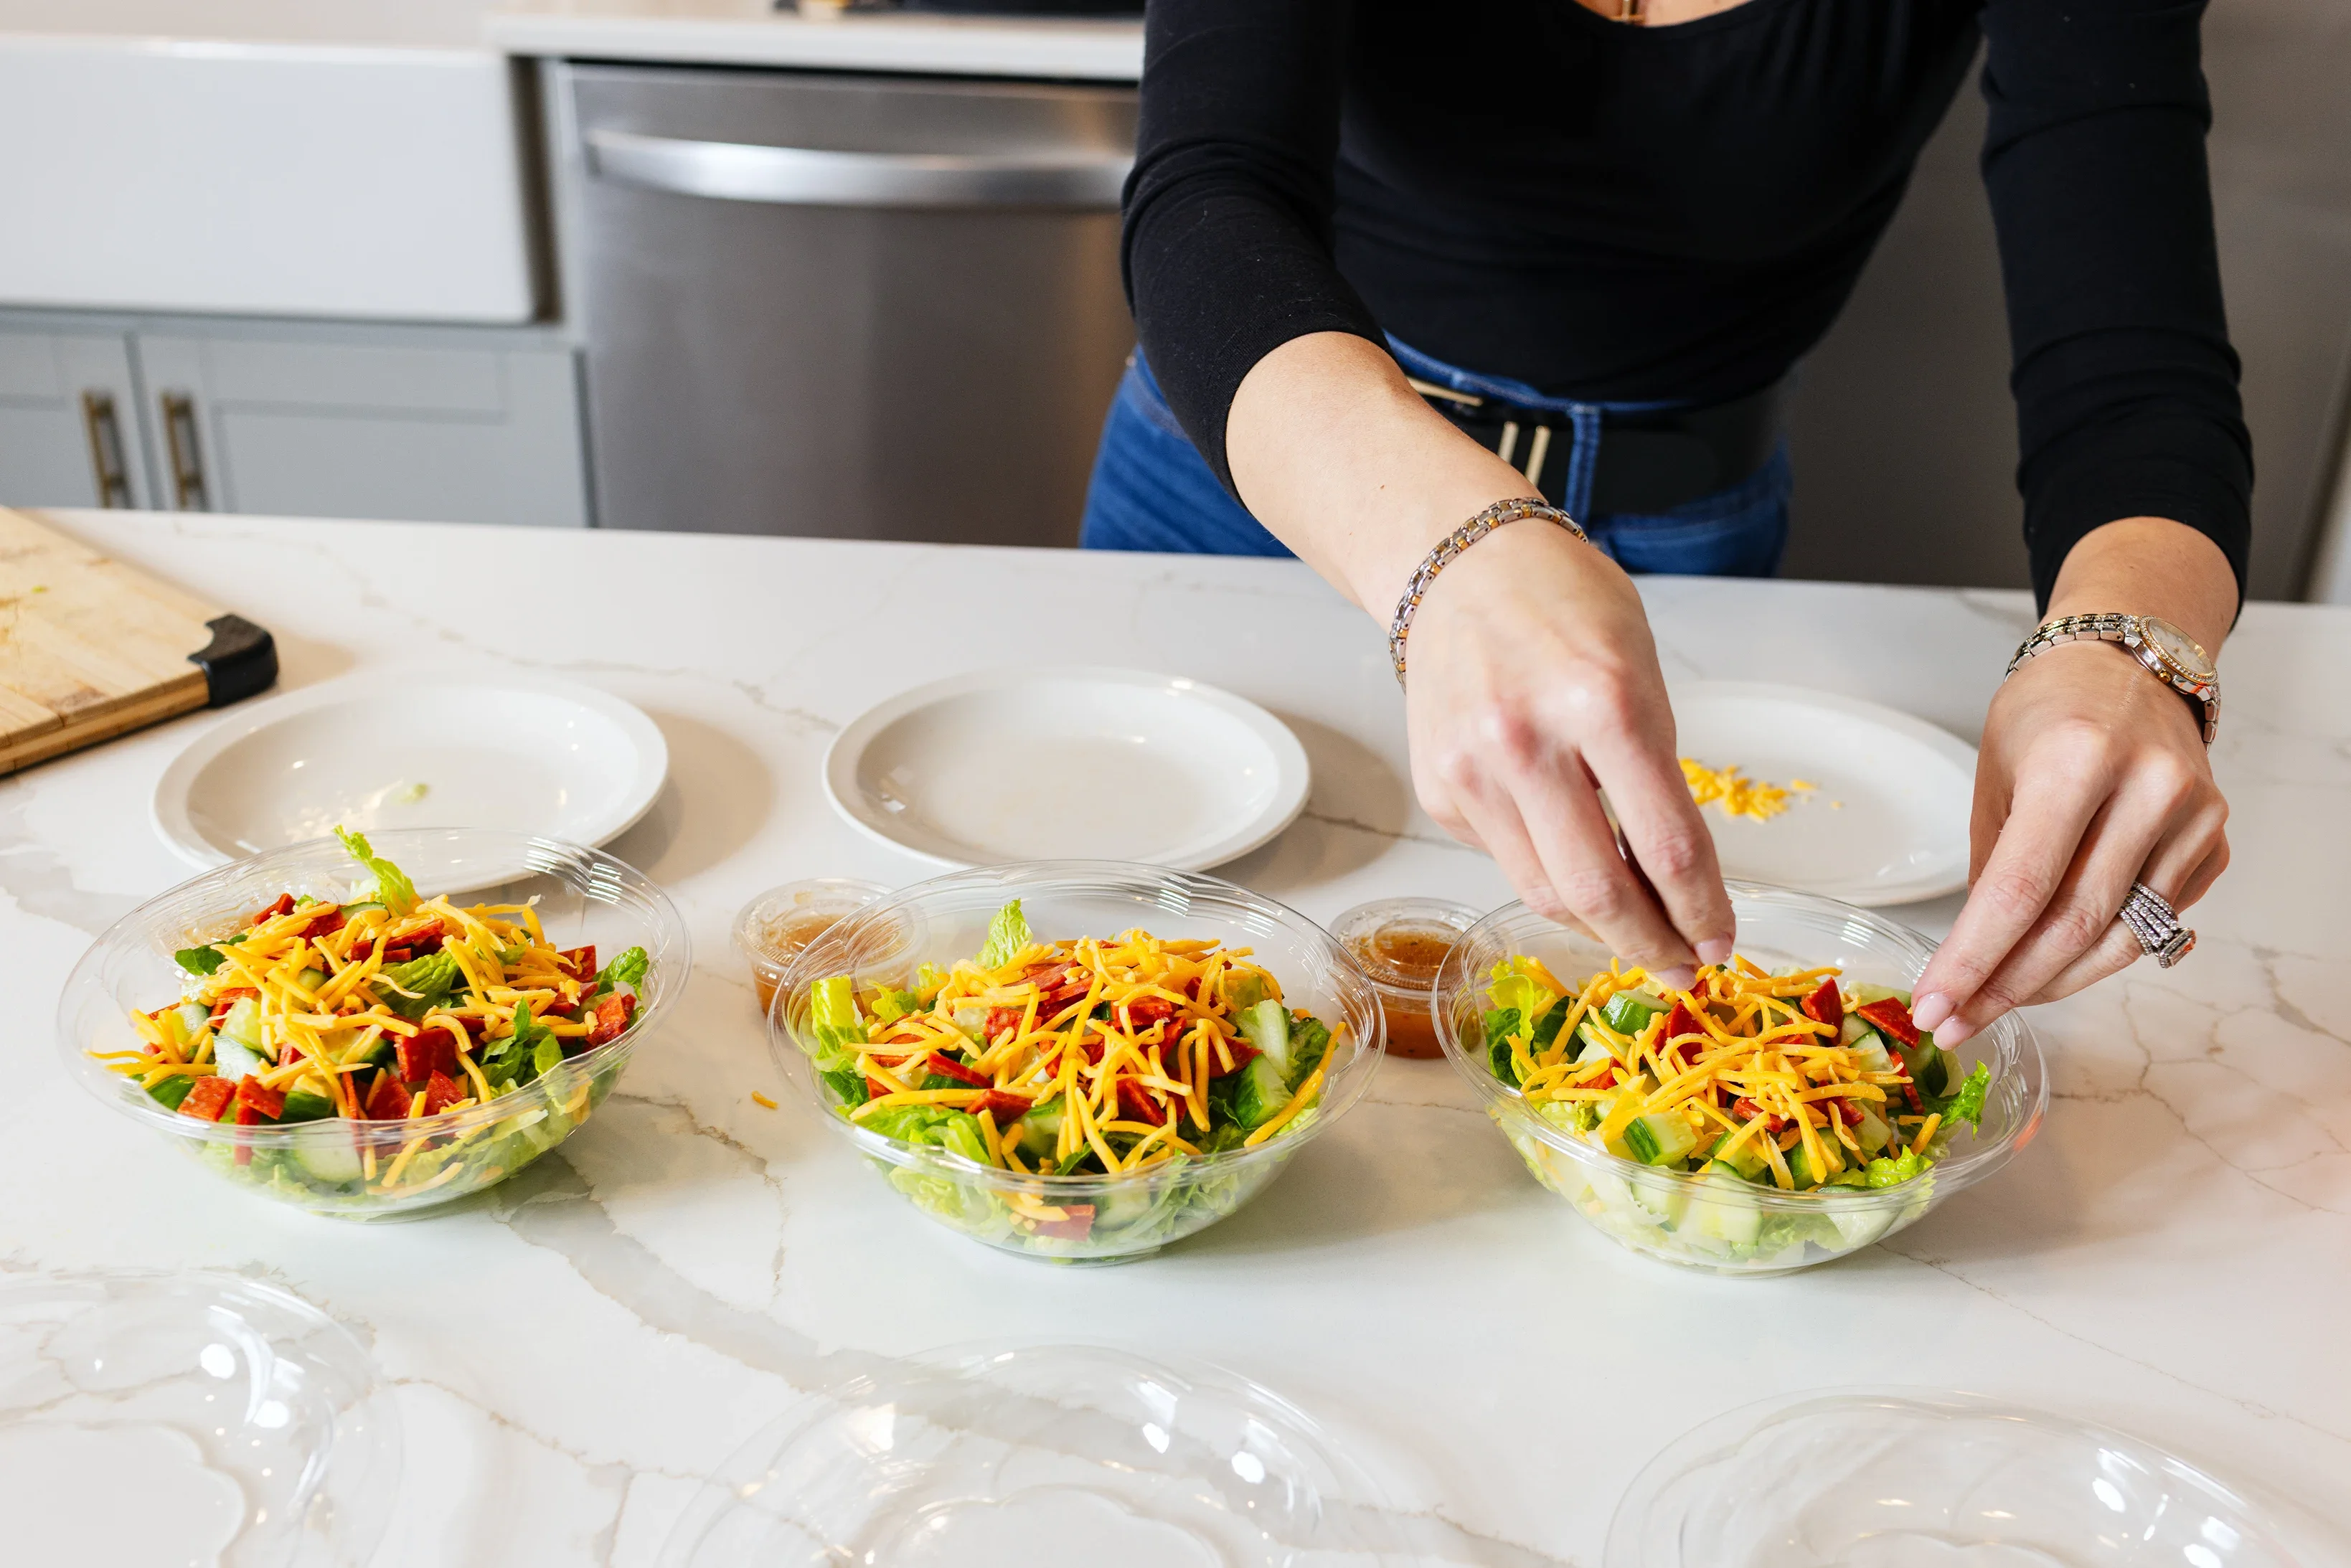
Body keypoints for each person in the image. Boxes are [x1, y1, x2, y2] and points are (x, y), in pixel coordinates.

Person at [1080, 0, 2245, 1045]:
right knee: (1109, 1000)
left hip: (1685, 538)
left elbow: (2134, 369)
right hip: (1269, 476)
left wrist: (2132, 651)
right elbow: (1206, 193)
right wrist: (1453, 548)